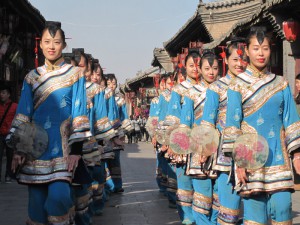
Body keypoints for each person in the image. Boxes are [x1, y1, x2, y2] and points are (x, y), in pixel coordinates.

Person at [7, 21, 91, 225]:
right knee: (36, 204)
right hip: (35, 148)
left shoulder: (74, 75)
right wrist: (19, 149)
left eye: (56, 42)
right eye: (47, 41)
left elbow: (79, 112)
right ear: (41, 45)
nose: (52, 46)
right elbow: (23, 115)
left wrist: (76, 150)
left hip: (63, 149)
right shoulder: (31, 77)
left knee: (59, 197)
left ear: (63, 45)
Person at [224, 26, 300, 224]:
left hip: (278, 158)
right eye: (256, 48)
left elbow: (291, 120)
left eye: (265, 48)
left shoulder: (281, 83)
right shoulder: (237, 85)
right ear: (246, 51)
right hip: (250, 159)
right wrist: (239, 162)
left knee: (283, 208)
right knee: (255, 215)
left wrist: (297, 154)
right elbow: (232, 125)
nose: (261, 53)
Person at [200, 38, 247, 225]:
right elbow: (208, 122)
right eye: (235, 59)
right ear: (226, 61)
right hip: (225, 152)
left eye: (242, 59)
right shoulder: (216, 88)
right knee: (229, 203)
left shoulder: (254, 85)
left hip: (252, 149)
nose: (239, 63)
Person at [176, 51, 219, 225]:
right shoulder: (190, 93)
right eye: (207, 68)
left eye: (215, 68)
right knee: (202, 197)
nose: (211, 72)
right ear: (200, 70)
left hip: (219, 150)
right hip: (198, 150)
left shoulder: (225, 90)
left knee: (219, 199)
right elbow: (185, 123)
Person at [0, 84, 17, 183]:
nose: (1, 95)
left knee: (10, 156)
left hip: (10, 135)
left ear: (8, 94)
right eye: (1, 93)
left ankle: (8, 175)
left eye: (3, 93)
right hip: (0, 134)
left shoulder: (15, 106)